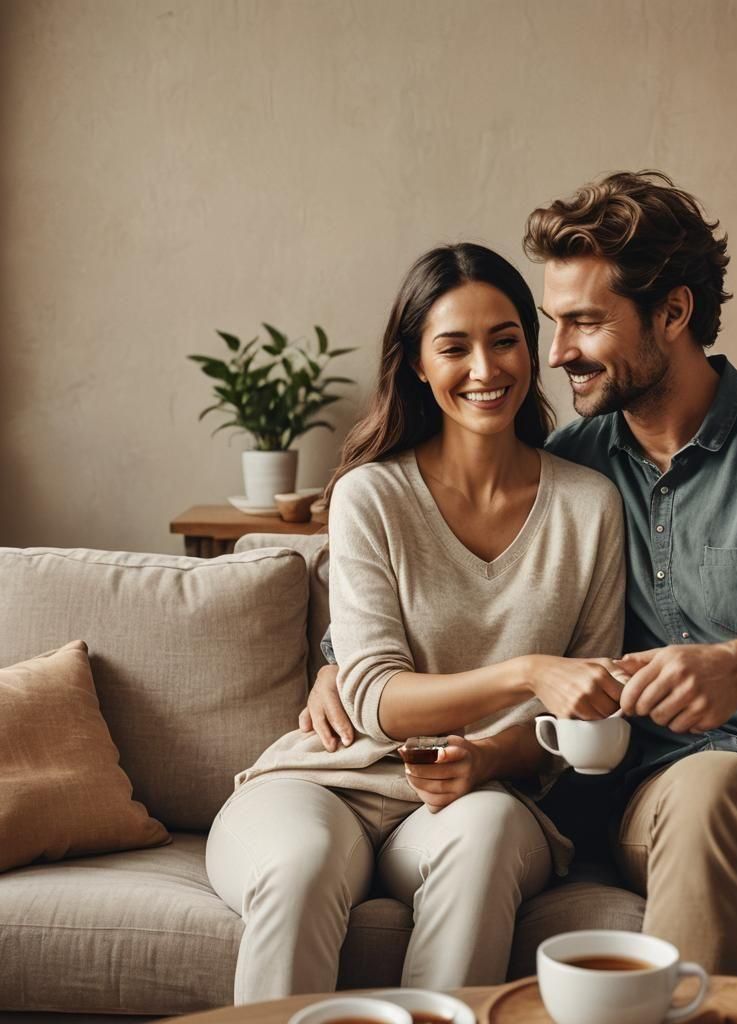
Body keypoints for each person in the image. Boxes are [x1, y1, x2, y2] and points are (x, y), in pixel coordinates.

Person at [303, 171, 737, 994]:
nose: (557, 351)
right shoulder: (576, 465)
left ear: (673, 313)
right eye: (555, 323)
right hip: (663, 791)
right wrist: (333, 660)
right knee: (714, 784)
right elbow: (428, 580)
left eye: (585, 322)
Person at [206, 242, 627, 1004]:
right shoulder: (371, 495)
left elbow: (587, 709)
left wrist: (496, 755)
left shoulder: (590, 506)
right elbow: (372, 698)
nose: (486, 368)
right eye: (453, 347)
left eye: (504, 340)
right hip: (329, 782)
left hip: (475, 802)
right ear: (416, 366)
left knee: (489, 838)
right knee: (299, 867)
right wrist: (528, 670)